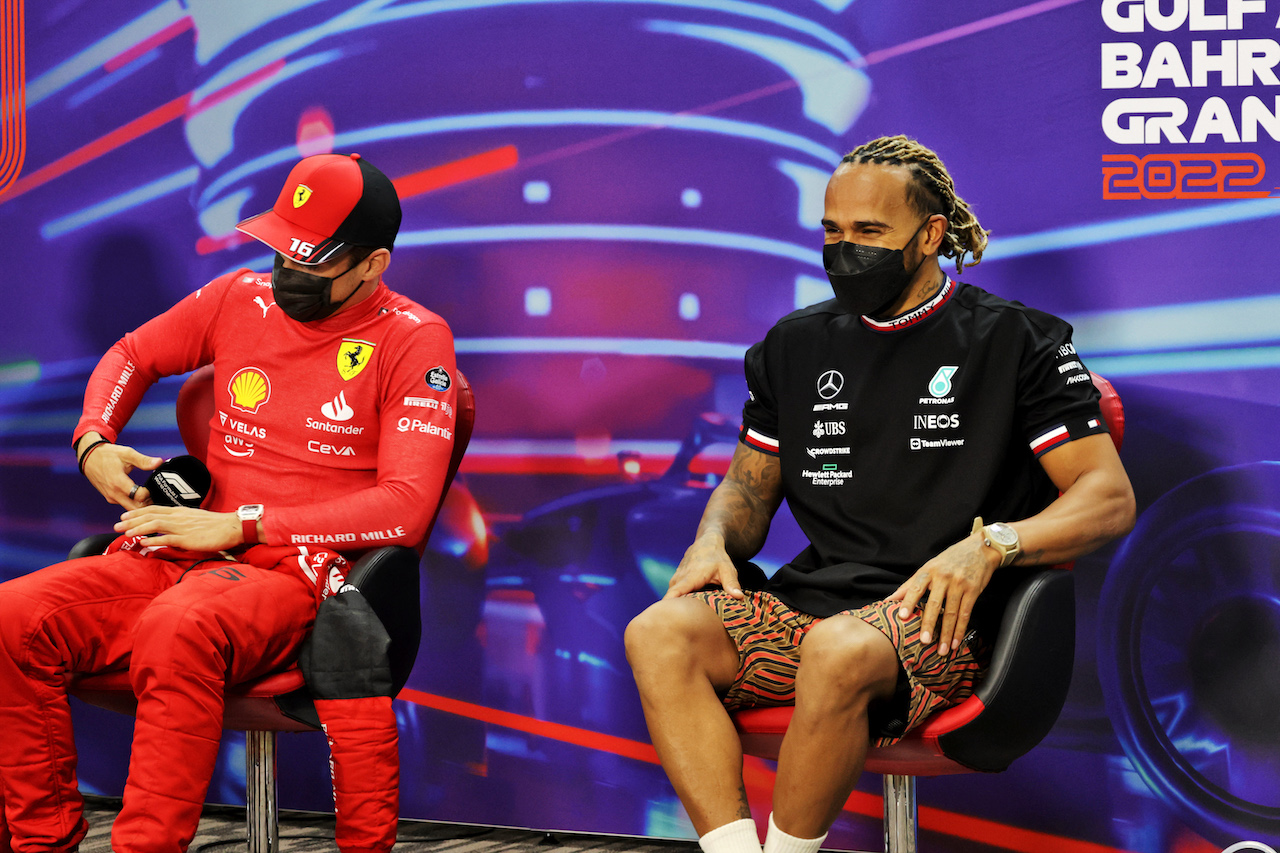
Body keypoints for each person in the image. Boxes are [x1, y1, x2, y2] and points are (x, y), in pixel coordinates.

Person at [624, 135, 1136, 853]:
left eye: (868, 232)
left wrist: (994, 544)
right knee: (656, 632)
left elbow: (1107, 497)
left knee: (839, 648)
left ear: (930, 236)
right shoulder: (794, 346)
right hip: (814, 610)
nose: (845, 251)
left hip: (948, 620)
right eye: (832, 231)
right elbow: (746, 485)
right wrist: (712, 540)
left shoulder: (1018, 340)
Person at [0, 153, 459, 853]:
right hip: (180, 548)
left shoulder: (415, 339)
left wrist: (237, 523)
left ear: (372, 264)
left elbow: (405, 507)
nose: (287, 275)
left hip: (298, 574)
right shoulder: (236, 298)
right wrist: (93, 439)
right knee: (13, 618)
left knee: (180, 625)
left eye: (313, 262)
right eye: (281, 251)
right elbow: (131, 355)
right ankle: (43, 841)